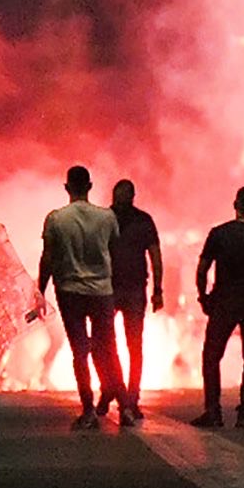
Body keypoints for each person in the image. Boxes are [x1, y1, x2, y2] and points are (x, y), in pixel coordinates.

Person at [39, 165, 126, 430]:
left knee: (79, 351)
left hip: (70, 292)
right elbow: (115, 252)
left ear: (67, 188)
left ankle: (88, 411)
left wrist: (39, 291)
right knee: (109, 350)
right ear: (90, 186)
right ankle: (126, 408)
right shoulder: (107, 217)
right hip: (102, 292)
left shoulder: (55, 219)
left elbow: (49, 258)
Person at [191, 186, 244, 429]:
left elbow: (201, 269)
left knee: (211, 355)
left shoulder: (219, 234)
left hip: (224, 301)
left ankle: (213, 410)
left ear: (235, 204)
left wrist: (203, 297)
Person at [105, 179, 163, 422]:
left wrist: (158, 289)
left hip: (113, 289)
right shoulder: (142, 220)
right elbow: (156, 257)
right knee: (129, 346)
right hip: (126, 289)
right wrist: (158, 289)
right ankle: (124, 396)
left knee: (111, 344)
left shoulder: (105, 219)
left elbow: (155, 256)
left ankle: (122, 394)